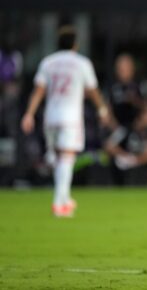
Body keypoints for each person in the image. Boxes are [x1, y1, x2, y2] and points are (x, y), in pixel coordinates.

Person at [20, 25, 110, 217]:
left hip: (50, 117)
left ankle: (64, 197)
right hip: (70, 117)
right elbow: (93, 90)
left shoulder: (47, 62)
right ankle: (60, 203)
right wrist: (102, 109)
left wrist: (29, 114)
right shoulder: (82, 63)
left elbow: (38, 91)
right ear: (75, 44)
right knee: (67, 158)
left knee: (57, 158)